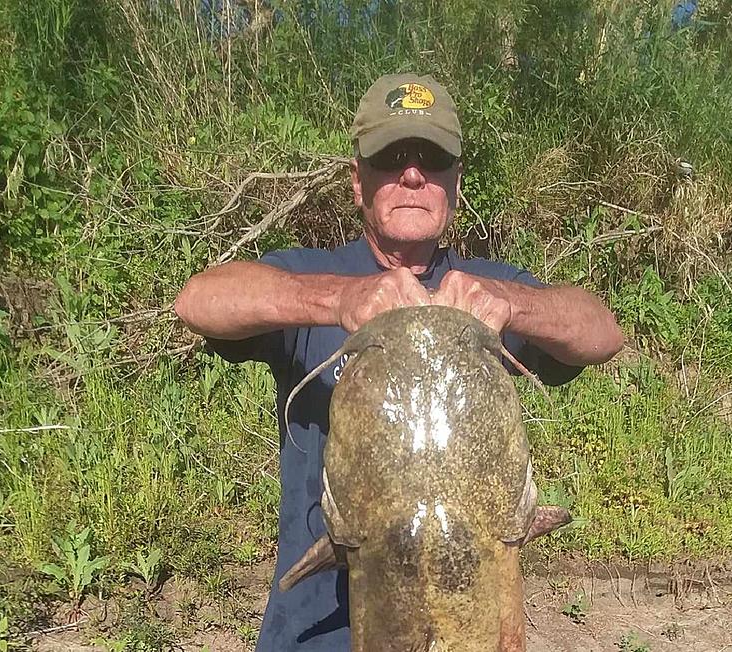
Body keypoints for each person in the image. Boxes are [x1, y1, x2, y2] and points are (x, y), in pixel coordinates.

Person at [174, 73, 625, 651]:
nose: (412, 174)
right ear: (358, 183)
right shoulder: (311, 277)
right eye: (391, 157)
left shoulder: (493, 290)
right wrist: (334, 300)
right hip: (317, 634)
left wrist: (514, 304)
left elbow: (602, 332)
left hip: (472, 627)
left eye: (431, 158)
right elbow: (199, 300)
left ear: (455, 185)